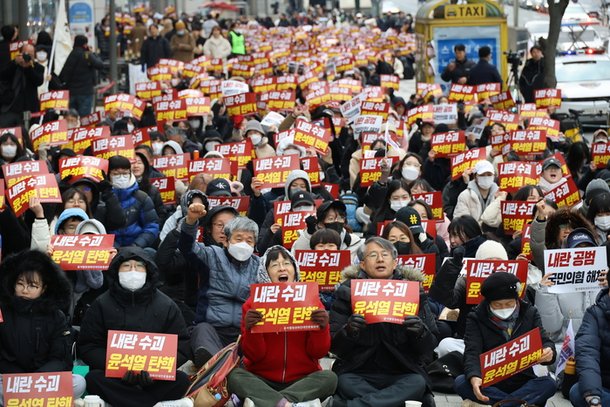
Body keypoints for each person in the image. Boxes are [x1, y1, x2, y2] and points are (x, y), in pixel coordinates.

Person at [330, 236, 438, 406]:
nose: (380, 259)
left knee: (417, 383)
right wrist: (349, 331)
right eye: (372, 255)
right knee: (343, 382)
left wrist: (420, 332)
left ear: (395, 263)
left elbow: (430, 346)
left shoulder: (413, 292)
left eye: (385, 255)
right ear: (363, 265)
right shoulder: (347, 293)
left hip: (403, 371)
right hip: (358, 371)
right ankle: (393, 403)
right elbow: (335, 347)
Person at [77, 247, 191, 406]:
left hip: (153, 379)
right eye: (126, 266)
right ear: (117, 271)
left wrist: (155, 372)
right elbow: (89, 345)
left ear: (148, 271)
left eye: (138, 266)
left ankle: (123, 403)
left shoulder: (166, 305)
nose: (133, 271)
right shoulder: (101, 304)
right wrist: (116, 368)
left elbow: (182, 345)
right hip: (115, 377)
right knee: (93, 378)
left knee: (181, 380)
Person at [227, 245, 337, 406]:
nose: (281, 269)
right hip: (262, 379)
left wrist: (322, 328)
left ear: (295, 270)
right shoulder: (252, 305)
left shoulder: (312, 301)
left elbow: (318, 352)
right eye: (274, 265)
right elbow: (254, 356)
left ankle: (270, 401)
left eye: (286, 263)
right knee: (235, 376)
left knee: (330, 378)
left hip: (303, 379)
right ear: (265, 273)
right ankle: (288, 404)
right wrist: (252, 330)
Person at [454, 272, 557, 406]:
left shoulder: (530, 313)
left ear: (516, 299)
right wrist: (475, 376)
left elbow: (545, 340)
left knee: (549, 384)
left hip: (523, 379)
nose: (504, 308)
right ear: (489, 302)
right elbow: (472, 352)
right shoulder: (476, 317)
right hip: (491, 381)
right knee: (461, 382)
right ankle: (517, 403)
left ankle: (502, 404)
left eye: (509, 303)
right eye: (498, 305)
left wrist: (549, 352)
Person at [179, 203, 260, 368]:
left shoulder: (260, 266)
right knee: (200, 331)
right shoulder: (211, 255)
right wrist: (190, 221)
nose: (243, 244)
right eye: (238, 238)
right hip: (212, 329)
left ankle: (220, 366)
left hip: (242, 333)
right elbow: (187, 248)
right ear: (226, 240)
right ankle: (223, 365)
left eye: (249, 240)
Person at [0, 250, 86, 400]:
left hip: (43, 380)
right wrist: (20, 380)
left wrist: (37, 378)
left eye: (32, 286)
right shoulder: (2, 311)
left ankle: (25, 399)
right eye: (20, 284)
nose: (24, 290)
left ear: (43, 289)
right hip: (10, 379)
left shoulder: (56, 316)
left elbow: (61, 359)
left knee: (79, 383)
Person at [106, 155, 160, 250]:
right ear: (108, 175)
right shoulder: (103, 198)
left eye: (125, 173)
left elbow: (151, 226)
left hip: (138, 248)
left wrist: (137, 246)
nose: (121, 177)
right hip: (110, 249)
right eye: (116, 174)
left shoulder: (141, 197)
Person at [569, 285, 610, 407]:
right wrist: (593, 397)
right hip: (605, 384)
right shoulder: (595, 313)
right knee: (578, 392)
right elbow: (587, 353)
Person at [58, 35, 104, 116]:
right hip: (85, 92)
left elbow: (64, 74)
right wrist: (93, 53)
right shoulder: (87, 55)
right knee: (84, 119)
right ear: (85, 44)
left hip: (72, 92)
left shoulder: (71, 55)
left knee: (72, 117)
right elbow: (100, 65)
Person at [0, 43, 44, 127]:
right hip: (11, 106)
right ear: (20, 53)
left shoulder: (38, 67)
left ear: (34, 56)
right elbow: (3, 75)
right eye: (25, 54)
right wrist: (15, 63)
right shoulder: (13, 64)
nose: (26, 57)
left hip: (29, 108)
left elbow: (39, 81)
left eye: (30, 55)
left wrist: (28, 68)